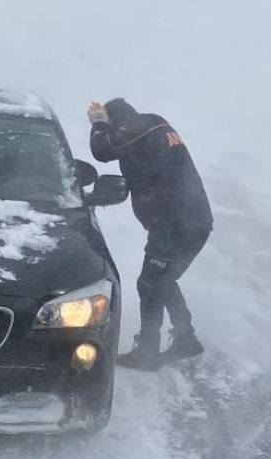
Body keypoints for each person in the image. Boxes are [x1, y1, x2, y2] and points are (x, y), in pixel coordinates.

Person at [88, 98, 214, 370]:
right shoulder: (154, 123)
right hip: (194, 220)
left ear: (117, 120)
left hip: (175, 223)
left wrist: (98, 122)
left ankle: (147, 352)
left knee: (150, 283)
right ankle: (186, 338)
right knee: (162, 279)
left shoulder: (134, 127)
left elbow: (102, 149)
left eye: (111, 124)